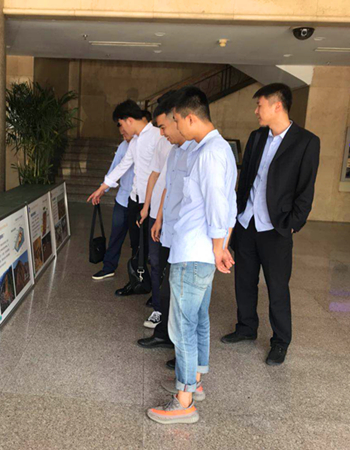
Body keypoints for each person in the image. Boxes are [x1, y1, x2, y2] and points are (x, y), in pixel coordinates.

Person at [147, 86, 237, 425]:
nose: (173, 128)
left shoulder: (209, 152)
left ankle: (184, 401)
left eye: (174, 121)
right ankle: (194, 382)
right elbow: (229, 205)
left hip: (194, 251)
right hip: (199, 250)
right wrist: (220, 246)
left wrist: (218, 248)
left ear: (189, 118)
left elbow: (218, 206)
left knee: (182, 326)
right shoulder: (216, 149)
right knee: (197, 318)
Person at [221, 83, 320, 366]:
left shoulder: (306, 141)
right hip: (247, 223)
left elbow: (306, 188)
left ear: (277, 106)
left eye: (259, 105)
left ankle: (280, 341)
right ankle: (246, 328)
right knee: (244, 281)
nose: (256, 111)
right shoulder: (256, 137)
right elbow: (245, 180)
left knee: (277, 287)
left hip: (276, 228)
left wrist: (293, 224)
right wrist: (236, 214)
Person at [137, 92, 196, 353]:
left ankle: (184, 354)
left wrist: (221, 244)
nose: (161, 134)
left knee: (184, 295)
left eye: (163, 127)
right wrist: (157, 216)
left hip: (187, 234)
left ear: (178, 118)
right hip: (168, 224)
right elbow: (167, 188)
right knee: (165, 279)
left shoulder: (199, 151)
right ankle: (164, 333)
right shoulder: (174, 150)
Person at [88, 100, 164, 296]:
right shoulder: (135, 142)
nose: (121, 130)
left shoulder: (157, 136)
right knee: (136, 244)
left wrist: (149, 205)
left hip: (152, 203)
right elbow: (123, 165)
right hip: (134, 200)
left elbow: (161, 174)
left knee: (153, 249)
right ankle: (138, 281)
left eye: (121, 124)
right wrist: (102, 188)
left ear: (129, 120)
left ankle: (157, 292)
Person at [138, 96, 174, 327]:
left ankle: (168, 309)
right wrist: (146, 207)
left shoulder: (184, 144)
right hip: (156, 214)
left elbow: (171, 185)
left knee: (171, 264)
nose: (161, 133)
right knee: (155, 261)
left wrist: (159, 214)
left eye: (162, 127)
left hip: (171, 214)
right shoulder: (163, 142)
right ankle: (158, 308)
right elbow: (154, 174)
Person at [91, 128, 135, 280]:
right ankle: (108, 267)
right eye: (121, 133)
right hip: (122, 199)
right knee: (115, 236)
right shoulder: (123, 146)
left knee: (137, 241)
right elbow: (115, 168)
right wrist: (102, 190)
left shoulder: (146, 144)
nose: (123, 135)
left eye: (125, 132)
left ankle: (138, 273)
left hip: (140, 202)